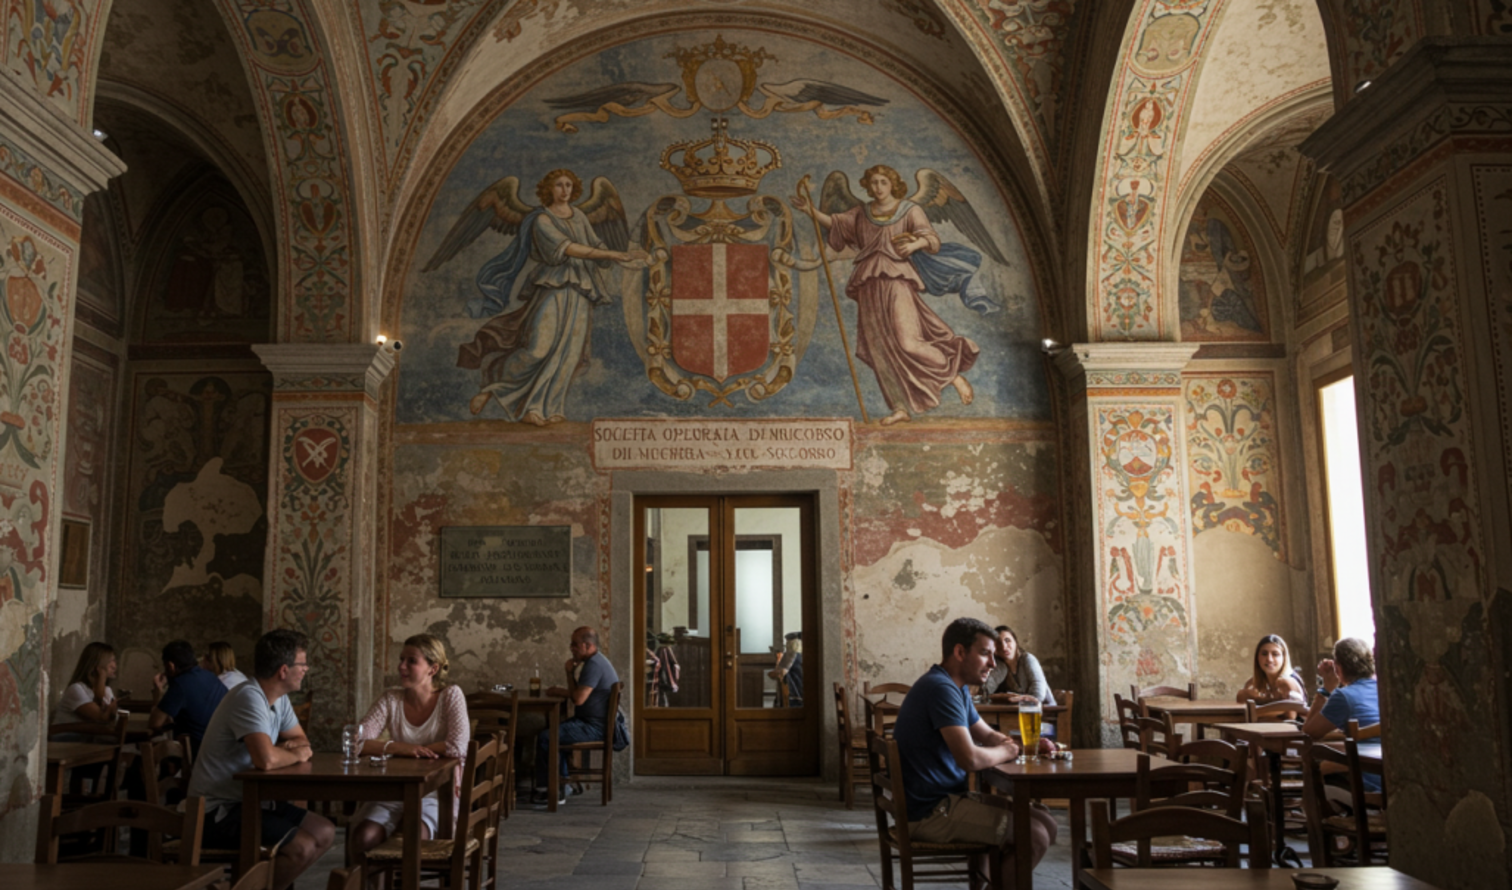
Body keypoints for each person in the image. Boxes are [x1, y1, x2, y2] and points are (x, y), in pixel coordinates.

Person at [791, 164, 978, 426]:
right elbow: (836, 223)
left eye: (883, 183)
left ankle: (953, 376)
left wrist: (915, 242)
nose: (878, 188)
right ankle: (899, 407)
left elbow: (931, 239)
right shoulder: (862, 213)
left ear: (893, 184)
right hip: (868, 283)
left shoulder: (909, 210)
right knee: (878, 348)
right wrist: (808, 210)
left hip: (896, 278)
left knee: (907, 341)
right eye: (874, 183)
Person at [458, 169, 646, 424]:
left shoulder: (579, 215)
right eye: (559, 185)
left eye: (569, 185)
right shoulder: (541, 220)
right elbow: (568, 248)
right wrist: (614, 256)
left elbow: (594, 244)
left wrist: (626, 258)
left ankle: (547, 408)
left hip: (580, 290)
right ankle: (491, 387)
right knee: (538, 348)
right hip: (553, 286)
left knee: (569, 353)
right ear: (549, 188)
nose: (565, 190)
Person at [893, 617, 1056, 879]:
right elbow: (969, 758)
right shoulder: (940, 688)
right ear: (959, 652)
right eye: (985, 654)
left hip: (948, 800)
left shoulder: (955, 688)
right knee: (1034, 836)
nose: (993, 663)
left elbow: (987, 735)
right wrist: (1011, 751)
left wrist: (1012, 744)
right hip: (930, 813)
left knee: (1047, 822)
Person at [187, 629, 334, 890]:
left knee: (324, 831)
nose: (307, 669)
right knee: (301, 848)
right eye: (302, 664)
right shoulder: (249, 697)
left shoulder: (279, 698)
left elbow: (302, 741)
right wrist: (292, 752)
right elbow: (265, 760)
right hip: (215, 811)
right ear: (283, 670)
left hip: (253, 801)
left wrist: (288, 751)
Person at [348, 634, 469, 868]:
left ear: (432, 669)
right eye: (401, 659)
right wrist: (408, 749)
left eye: (411, 661)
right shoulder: (390, 699)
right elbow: (357, 742)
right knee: (363, 837)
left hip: (436, 793)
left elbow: (456, 746)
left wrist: (404, 750)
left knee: (410, 838)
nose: (401, 666)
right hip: (395, 789)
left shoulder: (450, 696)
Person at [534, 626, 620, 806]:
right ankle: (563, 783)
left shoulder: (594, 665)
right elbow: (578, 694)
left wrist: (561, 691)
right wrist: (569, 673)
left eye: (574, 645)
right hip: (591, 723)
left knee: (546, 738)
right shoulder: (594, 662)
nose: (571, 648)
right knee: (555, 733)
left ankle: (550, 791)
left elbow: (578, 699)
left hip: (595, 727)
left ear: (587, 645)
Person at [1303, 637, 1382, 791]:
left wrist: (1326, 689)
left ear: (1338, 668)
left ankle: (1324, 812)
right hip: (1388, 771)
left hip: (1366, 776)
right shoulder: (1382, 689)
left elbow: (1308, 732)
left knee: (1316, 768)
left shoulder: (1344, 696)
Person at [148, 639, 228, 747]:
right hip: (223, 747)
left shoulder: (180, 684)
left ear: (170, 666)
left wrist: (157, 692)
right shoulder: (211, 677)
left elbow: (155, 723)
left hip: (198, 752)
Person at [53, 641, 119, 726]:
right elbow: (102, 717)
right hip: (66, 736)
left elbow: (112, 720)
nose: (114, 666)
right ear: (97, 664)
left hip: (87, 735)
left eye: (114, 660)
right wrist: (102, 677)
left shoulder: (107, 690)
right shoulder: (76, 689)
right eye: (110, 661)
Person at [984, 625, 1054, 706]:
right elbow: (986, 692)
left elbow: (1038, 687)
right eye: (998, 643)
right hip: (1018, 712)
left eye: (1007, 640)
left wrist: (1027, 702)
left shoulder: (1027, 659)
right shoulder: (1000, 667)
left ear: (1015, 642)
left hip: (1043, 710)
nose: (1003, 647)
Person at [1235, 634, 1306, 705]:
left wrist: (1259, 700)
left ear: (1284, 658)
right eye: (1264, 654)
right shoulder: (1252, 682)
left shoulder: (1288, 681)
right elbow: (1241, 702)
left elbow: (1291, 714)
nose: (1269, 659)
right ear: (1257, 657)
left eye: (1275, 654)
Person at [768, 631, 803, 707]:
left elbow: (780, 673)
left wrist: (778, 660)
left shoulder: (792, 655)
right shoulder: (800, 655)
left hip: (794, 697)